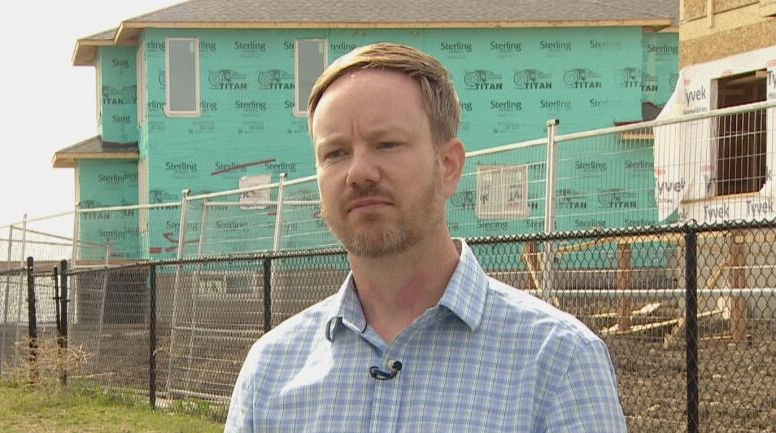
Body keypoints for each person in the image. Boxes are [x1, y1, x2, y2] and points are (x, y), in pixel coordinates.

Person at [225, 43, 627, 433]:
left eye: (387, 144)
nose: (359, 172)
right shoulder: (270, 372)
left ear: (448, 166)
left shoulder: (559, 362)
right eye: (335, 153)